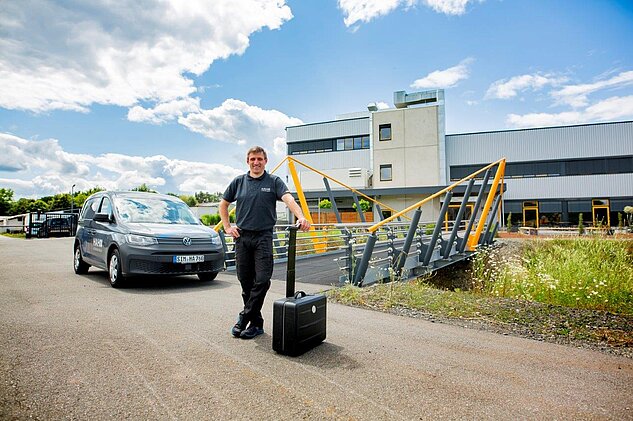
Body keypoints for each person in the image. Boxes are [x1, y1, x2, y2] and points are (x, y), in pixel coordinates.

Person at [219, 146, 310, 339]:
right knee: (245, 281)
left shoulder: (274, 181)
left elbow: (289, 200)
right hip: (242, 238)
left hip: (263, 238)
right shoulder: (239, 182)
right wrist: (227, 227)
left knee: (261, 280)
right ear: (248, 161)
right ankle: (257, 324)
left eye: (259, 159)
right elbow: (223, 204)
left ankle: (244, 318)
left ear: (265, 161)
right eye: (252, 159)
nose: (256, 162)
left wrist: (301, 217)